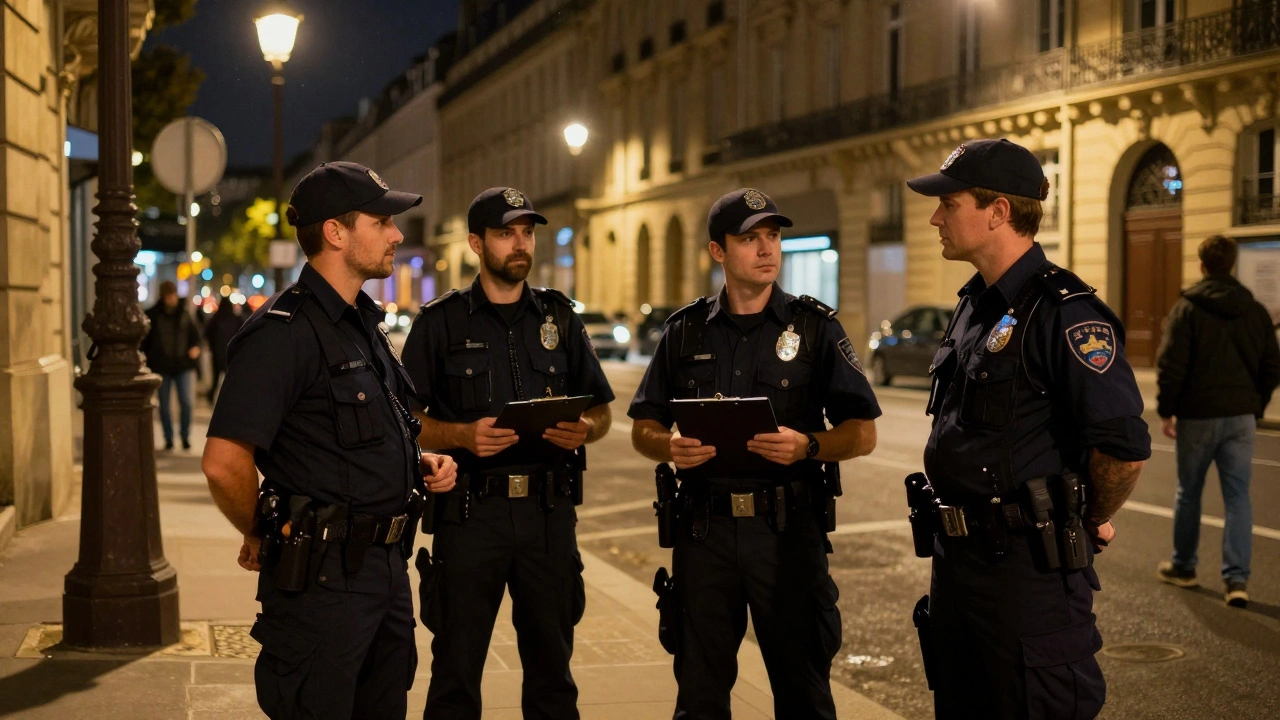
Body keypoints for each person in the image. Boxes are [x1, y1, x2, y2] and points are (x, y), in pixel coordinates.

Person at [903, 139, 1151, 720]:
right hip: (958, 567)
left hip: (1027, 577)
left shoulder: (1067, 312)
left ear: (998, 211)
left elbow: (1122, 449)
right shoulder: (973, 307)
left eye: (949, 202)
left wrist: (1086, 520)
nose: (936, 217)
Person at [201, 161, 458, 720]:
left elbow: (351, 440)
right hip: (322, 585)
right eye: (382, 221)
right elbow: (224, 463)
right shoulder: (282, 334)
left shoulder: (363, 323)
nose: (396, 234)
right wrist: (261, 531)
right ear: (335, 233)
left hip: (386, 572)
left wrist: (418, 461)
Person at [629, 188, 880, 720]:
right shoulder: (684, 331)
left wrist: (809, 446)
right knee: (700, 693)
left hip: (788, 535)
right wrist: (669, 446)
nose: (767, 249)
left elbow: (862, 433)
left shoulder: (815, 328)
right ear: (718, 252)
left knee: (803, 692)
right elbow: (643, 427)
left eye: (773, 236)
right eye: (750, 239)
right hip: (705, 535)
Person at [401, 186, 615, 720]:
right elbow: (406, 422)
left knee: (553, 675)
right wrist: (461, 436)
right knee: (456, 672)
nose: (520, 244)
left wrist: (584, 429)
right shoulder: (440, 323)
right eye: (505, 233)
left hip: (548, 515)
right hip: (471, 517)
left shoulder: (560, 319)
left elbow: (604, 411)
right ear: (476, 242)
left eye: (527, 232)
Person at [1155, 234, 1280, 608]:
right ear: (1232, 264)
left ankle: (1184, 567)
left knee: (1189, 492)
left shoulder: (1188, 308)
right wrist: (1254, 404)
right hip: (1240, 417)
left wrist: (1167, 409)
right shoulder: (1254, 310)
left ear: (1202, 265)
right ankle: (1237, 580)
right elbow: (1273, 365)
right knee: (1238, 496)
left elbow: (1171, 365)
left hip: (1198, 415)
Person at [143, 280, 202, 450]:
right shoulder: (153, 315)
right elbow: (145, 341)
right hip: (161, 366)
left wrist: (195, 348)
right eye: (169, 296)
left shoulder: (183, 314)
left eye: (173, 295)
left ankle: (185, 436)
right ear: (163, 296)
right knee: (164, 405)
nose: (172, 299)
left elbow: (195, 336)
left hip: (182, 365)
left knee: (186, 402)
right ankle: (168, 438)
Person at [204, 298, 245, 403]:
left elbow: (208, 334)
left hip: (217, 354)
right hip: (232, 354)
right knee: (231, 379)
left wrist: (213, 346)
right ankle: (231, 399)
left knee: (216, 378)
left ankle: (211, 397)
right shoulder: (236, 319)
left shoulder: (215, 319)